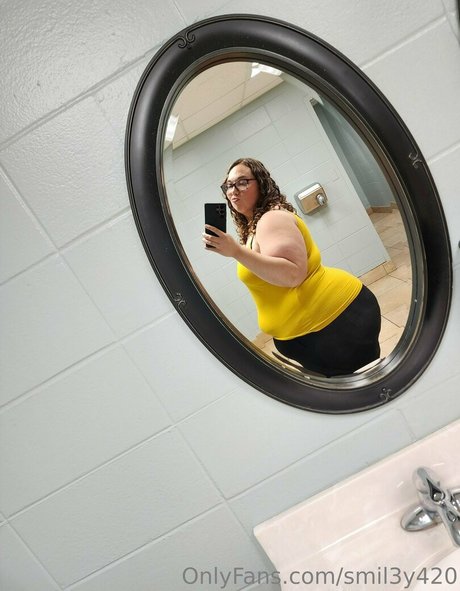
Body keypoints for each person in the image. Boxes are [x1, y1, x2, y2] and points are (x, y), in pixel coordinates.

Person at [203, 157, 381, 377]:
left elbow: (292, 275)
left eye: (242, 182)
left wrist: (236, 252)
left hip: (334, 322)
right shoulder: (255, 226)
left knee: (367, 386)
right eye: (228, 185)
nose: (233, 191)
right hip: (321, 328)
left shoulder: (271, 219)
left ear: (261, 183)